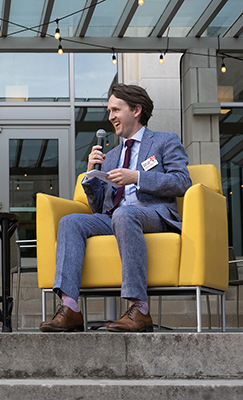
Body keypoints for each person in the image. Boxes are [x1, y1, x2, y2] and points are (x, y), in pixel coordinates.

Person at [40, 84, 192, 333]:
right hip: (114, 217)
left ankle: (139, 309)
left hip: (153, 214)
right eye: (109, 110)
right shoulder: (110, 156)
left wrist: (138, 177)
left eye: (116, 109)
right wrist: (90, 176)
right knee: (70, 221)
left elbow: (182, 182)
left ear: (136, 110)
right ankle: (69, 309)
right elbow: (100, 206)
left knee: (124, 214)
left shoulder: (165, 141)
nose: (110, 116)